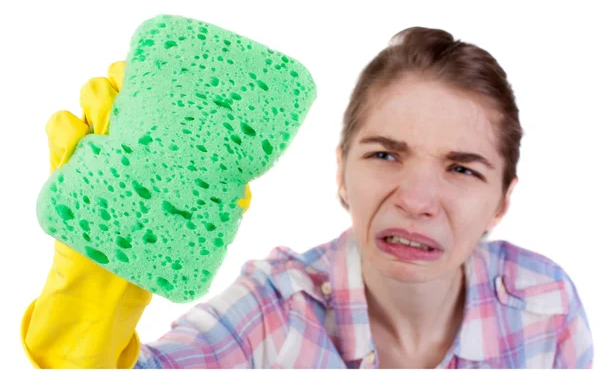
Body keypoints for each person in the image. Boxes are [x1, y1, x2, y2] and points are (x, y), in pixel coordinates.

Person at [21, 26, 593, 369]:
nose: (418, 200)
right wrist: (95, 289)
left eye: (462, 169)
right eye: (385, 155)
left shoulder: (547, 305)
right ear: (341, 172)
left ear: (501, 200)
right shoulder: (276, 310)